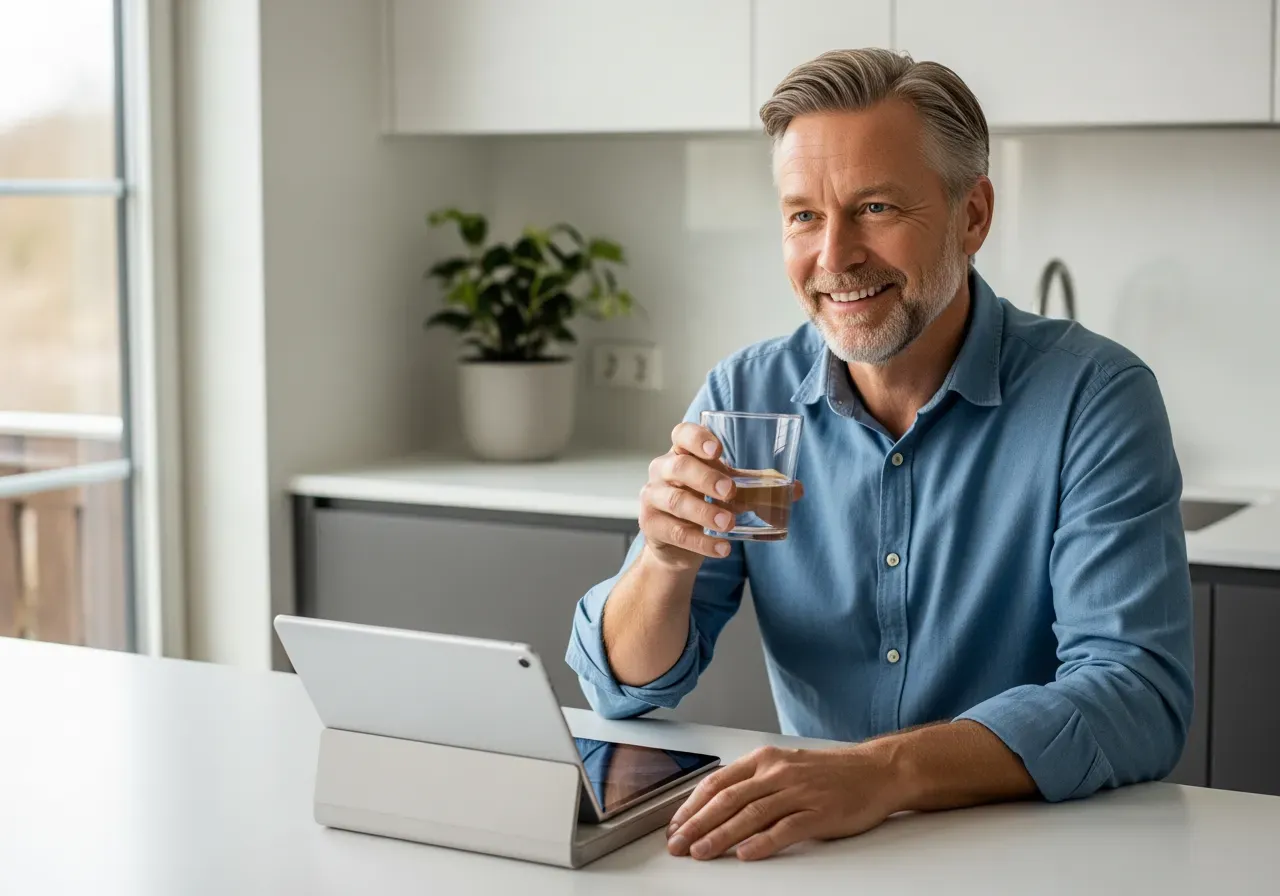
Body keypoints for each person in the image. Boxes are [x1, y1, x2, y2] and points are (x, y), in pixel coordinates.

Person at [565, 48, 1192, 862]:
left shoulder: (1094, 397)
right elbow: (622, 689)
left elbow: (1135, 694)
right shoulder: (747, 392)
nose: (834, 257)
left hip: (1042, 855)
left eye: (876, 208)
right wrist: (663, 561)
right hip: (815, 856)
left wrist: (882, 774)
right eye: (802, 215)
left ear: (972, 215)